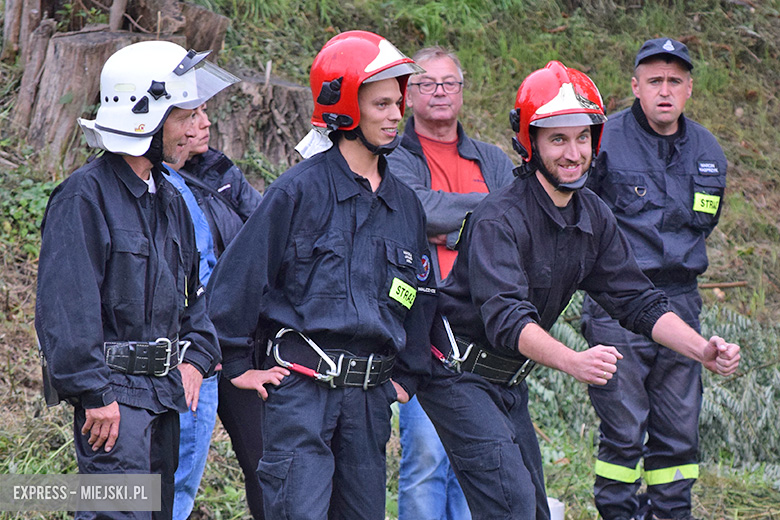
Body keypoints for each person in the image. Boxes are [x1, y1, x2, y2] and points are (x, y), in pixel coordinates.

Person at [414, 60, 741, 520]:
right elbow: (507, 319)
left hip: (507, 378)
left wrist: (700, 348)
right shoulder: (499, 218)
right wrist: (575, 361)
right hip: (456, 374)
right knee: (511, 506)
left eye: (583, 137)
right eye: (558, 139)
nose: (573, 153)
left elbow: (637, 299)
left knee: (532, 509)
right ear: (530, 142)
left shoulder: (592, 213)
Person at [206, 30, 438, 520]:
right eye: (381, 104)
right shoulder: (297, 191)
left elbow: (421, 295)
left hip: (370, 402)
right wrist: (234, 363)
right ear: (344, 106)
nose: (396, 115)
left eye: (398, 103)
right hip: (301, 396)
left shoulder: (406, 206)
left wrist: (407, 377)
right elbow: (238, 280)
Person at [35, 40, 237, 519]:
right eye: (186, 116)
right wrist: (94, 395)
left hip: (164, 397)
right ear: (145, 118)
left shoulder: (169, 197)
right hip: (113, 405)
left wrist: (197, 358)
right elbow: (66, 308)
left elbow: (194, 300)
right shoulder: (83, 197)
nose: (198, 128)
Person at [581, 38, 729, 520]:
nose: (664, 91)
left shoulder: (708, 149)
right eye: (654, 81)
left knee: (679, 431)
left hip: (681, 301)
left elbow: (705, 220)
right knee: (623, 431)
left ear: (689, 89)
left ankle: (671, 514)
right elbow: (581, 214)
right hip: (617, 306)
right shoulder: (604, 139)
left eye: (674, 81)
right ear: (635, 87)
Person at [386, 45, 515, 520]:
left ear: (462, 91)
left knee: (481, 462)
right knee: (426, 456)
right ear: (408, 94)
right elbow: (413, 210)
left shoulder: (493, 159)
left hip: (485, 327)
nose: (439, 92)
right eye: (426, 83)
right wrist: (480, 217)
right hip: (428, 329)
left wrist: (446, 222)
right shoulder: (394, 155)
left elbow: (516, 219)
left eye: (449, 83)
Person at [162, 104, 265, 520]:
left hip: (224, 346)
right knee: (135, 489)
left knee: (262, 466)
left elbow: (264, 231)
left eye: (205, 112)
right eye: (192, 116)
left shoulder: (219, 170)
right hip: (176, 358)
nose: (206, 124)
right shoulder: (119, 189)